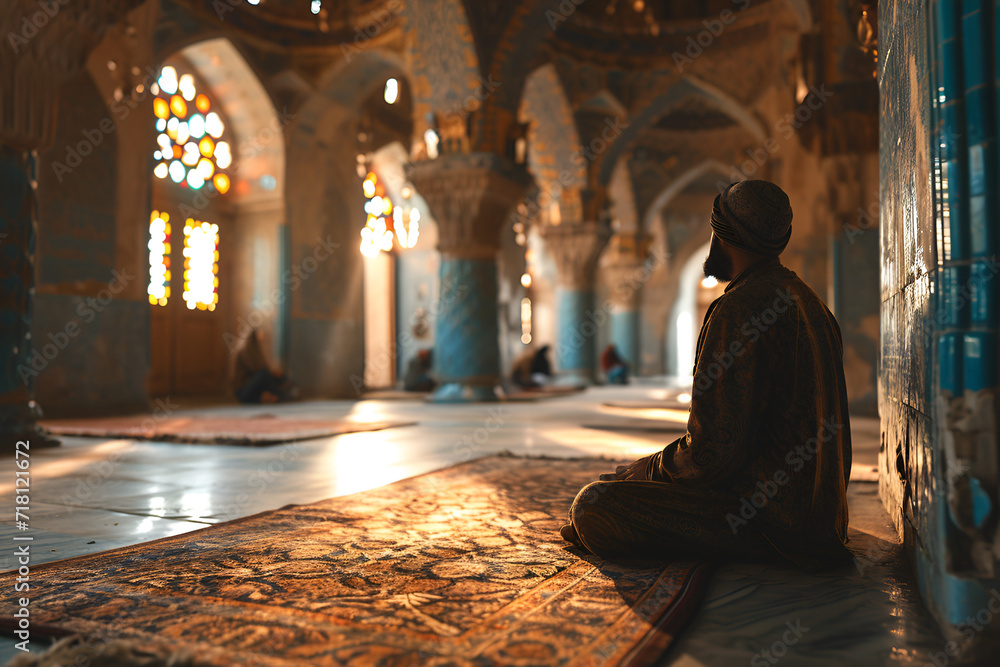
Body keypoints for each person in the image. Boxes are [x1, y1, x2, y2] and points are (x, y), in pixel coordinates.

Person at [560, 180, 852, 569]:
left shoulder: (738, 308)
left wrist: (642, 472)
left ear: (721, 235)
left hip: (772, 528)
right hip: (825, 520)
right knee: (619, 490)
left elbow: (711, 457)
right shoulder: (814, 305)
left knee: (595, 504)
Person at [231, 329, 297, 404]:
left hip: (249, 389)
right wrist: (272, 372)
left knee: (279, 377)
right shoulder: (243, 351)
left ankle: (286, 393)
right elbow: (256, 368)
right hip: (242, 391)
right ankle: (282, 396)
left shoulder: (253, 351)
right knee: (264, 374)